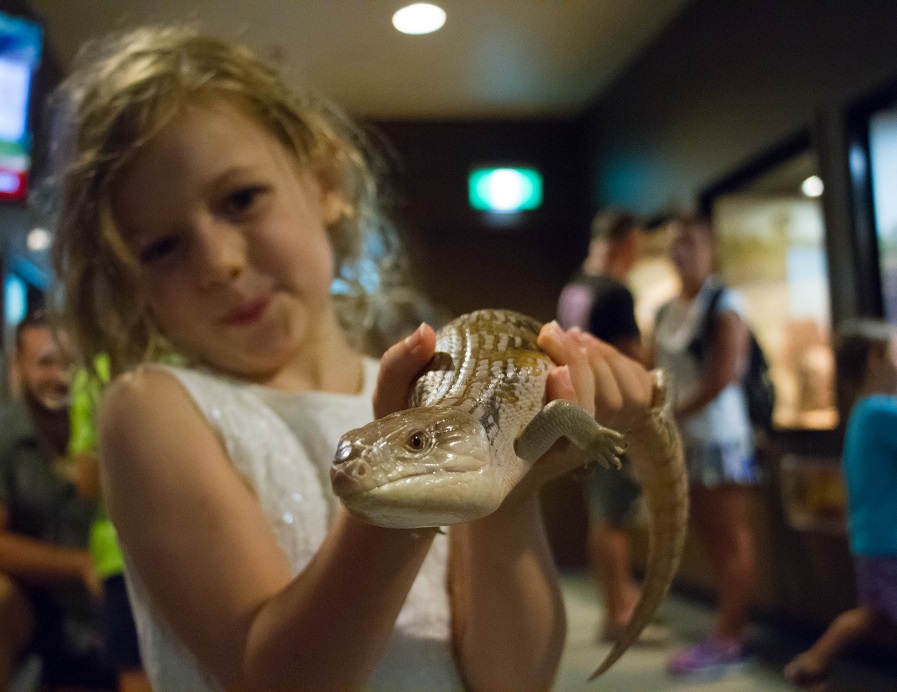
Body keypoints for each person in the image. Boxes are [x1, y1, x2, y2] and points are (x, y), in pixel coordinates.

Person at [46, 26, 673, 690]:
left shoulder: (426, 395)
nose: (220, 264)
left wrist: (508, 486)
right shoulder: (151, 408)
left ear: (323, 182)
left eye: (240, 199)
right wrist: (405, 483)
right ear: (127, 280)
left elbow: (513, 680)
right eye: (161, 247)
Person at [0, 311, 115, 691]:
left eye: (71, 363)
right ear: (18, 367)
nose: (60, 376)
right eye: (46, 363)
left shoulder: (120, 423)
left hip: (118, 599)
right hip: (34, 608)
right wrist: (81, 566)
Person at [784, 319, 897, 688]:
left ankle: (812, 663)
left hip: (873, 542)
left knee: (870, 616)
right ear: (876, 361)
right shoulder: (881, 410)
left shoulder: (864, 413)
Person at [653, 214, 760, 677]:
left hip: (719, 436)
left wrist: (670, 413)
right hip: (684, 440)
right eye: (675, 244)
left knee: (730, 538)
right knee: (710, 538)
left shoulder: (725, 302)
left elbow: (724, 376)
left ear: (710, 248)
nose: (682, 253)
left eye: (691, 243)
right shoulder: (664, 310)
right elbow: (652, 367)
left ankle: (730, 636)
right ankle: (724, 627)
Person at [556, 209, 669, 645]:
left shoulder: (575, 287)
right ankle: (621, 614)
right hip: (615, 412)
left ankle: (615, 604)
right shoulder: (616, 292)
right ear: (626, 241)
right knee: (613, 517)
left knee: (601, 514)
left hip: (583, 410)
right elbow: (632, 357)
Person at [70, 355, 153, 692]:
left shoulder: (97, 369)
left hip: (119, 551)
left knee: (137, 668)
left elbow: (87, 481)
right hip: (203, 545)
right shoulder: (197, 354)